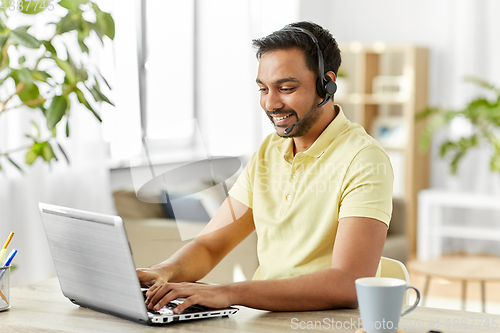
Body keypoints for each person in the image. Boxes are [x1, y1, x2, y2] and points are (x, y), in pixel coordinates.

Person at [138, 21, 393, 313]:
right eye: (263, 89)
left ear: (327, 83)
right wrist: (162, 271)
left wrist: (228, 293)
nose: (271, 103)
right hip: (265, 319)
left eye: (285, 88)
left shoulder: (364, 159)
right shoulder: (268, 152)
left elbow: (349, 283)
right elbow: (211, 245)